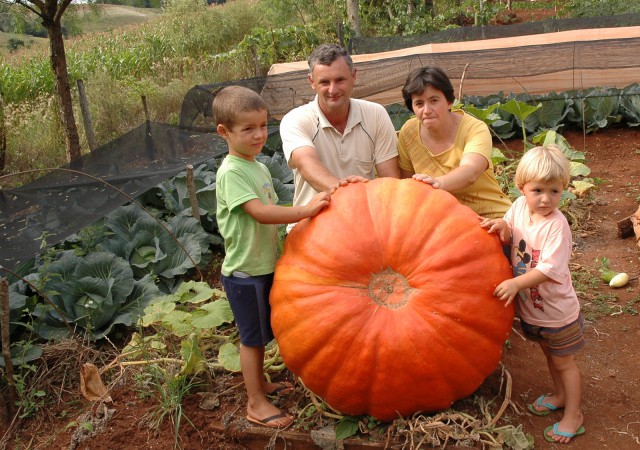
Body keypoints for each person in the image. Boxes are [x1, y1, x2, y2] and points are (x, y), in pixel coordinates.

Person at [214, 85, 331, 429]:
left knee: (264, 334)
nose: (258, 135)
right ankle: (255, 403)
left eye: (263, 126)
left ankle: (260, 384)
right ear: (224, 132)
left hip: (264, 267)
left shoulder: (256, 166)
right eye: (247, 129)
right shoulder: (231, 172)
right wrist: (304, 211)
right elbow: (260, 213)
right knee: (251, 341)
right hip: (244, 273)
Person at [480, 144, 586, 444]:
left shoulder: (557, 226)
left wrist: (516, 284)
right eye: (537, 190)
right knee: (551, 358)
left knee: (565, 362)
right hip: (534, 311)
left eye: (554, 191)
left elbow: (550, 269)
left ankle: (574, 413)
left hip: (557, 313)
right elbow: (511, 229)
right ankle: (561, 395)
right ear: (521, 188)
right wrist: (502, 224)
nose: (545, 199)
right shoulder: (518, 208)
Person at [279, 43, 399, 228]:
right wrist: (352, 195)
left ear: (354, 76)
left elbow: (389, 180)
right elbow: (307, 164)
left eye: (340, 80)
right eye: (324, 82)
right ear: (311, 82)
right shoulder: (295, 120)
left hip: (363, 224)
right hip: (311, 228)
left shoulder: (376, 114)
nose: (333, 90)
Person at [398, 66, 511, 219]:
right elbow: (407, 183)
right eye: (419, 103)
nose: (426, 110)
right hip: (443, 222)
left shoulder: (474, 128)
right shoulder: (408, 132)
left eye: (434, 100)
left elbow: (470, 171)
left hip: (490, 217)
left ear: (450, 102)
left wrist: (438, 183)